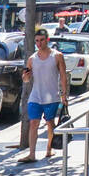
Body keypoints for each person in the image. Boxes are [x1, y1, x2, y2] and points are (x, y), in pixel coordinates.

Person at [18, 28, 68, 163]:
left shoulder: (57, 56)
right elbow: (26, 79)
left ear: (47, 40)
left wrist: (64, 95)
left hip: (51, 96)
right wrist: (25, 77)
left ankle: (49, 149)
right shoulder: (32, 59)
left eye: (41, 40)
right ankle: (32, 154)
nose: (39, 43)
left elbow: (63, 76)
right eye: (37, 41)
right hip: (35, 96)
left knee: (50, 123)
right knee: (33, 123)